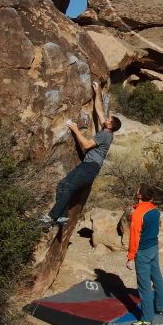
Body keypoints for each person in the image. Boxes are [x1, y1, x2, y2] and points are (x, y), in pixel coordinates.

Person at [41, 82, 121, 227]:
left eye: (109, 120)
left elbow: (85, 145)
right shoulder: (106, 130)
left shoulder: (105, 135)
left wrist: (74, 129)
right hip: (86, 165)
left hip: (91, 167)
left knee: (70, 187)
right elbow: (99, 110)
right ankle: (62, 216)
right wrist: (97, 92)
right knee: (62, 185)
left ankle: (51, 217)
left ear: (110, 126)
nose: (106, 119)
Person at [126, 183, 163, 325]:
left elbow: (134, 237)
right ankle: (161, 306)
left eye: (137, 190)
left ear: (140, 195)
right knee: (157, 278)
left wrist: (130, 257)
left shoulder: (138, 214)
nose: (136, 191)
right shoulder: (155, 210)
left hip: (143, 251)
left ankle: (146, 319)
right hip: (153, 248)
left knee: (144, 287)